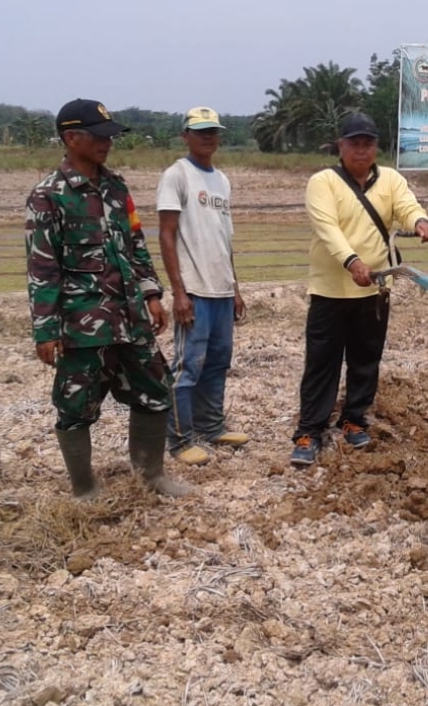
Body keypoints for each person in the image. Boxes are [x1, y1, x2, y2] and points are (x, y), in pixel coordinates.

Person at [24, 98, 193, 499]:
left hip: (131, 316)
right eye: (98, 136)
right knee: (75, 404)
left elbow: (136, 245)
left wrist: (152, 294)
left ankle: (151, 475)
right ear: (70, 138)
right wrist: (46, 330)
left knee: (154, 389)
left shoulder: (116, 188)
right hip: (82, 324)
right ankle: (84, 488)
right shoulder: (48, 195)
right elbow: (42, 269)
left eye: (109, 136)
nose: (107, 143)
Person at [289, 112, 428, 466]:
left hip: (374, 291)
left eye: (367, 143)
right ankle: (309, 430)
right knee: (322, 363)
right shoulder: (323, 182)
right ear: (340, 146)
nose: (361, 150)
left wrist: (420, 221)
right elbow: (328, 229)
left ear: (376, 147)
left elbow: (406, 206)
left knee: (365, 360)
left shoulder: (390, 179)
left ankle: (354, 419)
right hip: (331, 290)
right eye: (353, 143)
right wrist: (352, 261)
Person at [155, 106, 248, 466]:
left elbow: (226, 240)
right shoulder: (177, 175)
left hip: (222, 290)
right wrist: (178, 292)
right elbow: (166, 234)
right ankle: (179, 439)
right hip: (194, 289)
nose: (208, 137)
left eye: (213, 131)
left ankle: (211, 426)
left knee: (217, 361)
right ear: (186, 136)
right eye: (201, 131)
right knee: (187, 366)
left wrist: (235, 288)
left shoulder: (222, 181)